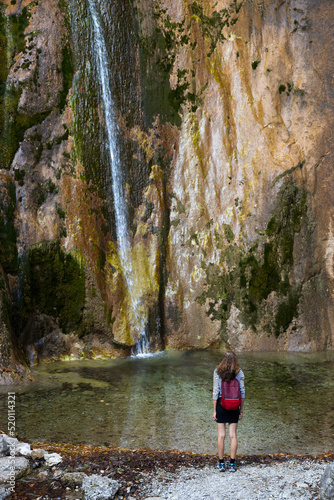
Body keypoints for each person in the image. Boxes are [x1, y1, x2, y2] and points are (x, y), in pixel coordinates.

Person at [212, 351, 245, 472]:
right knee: (233, 435)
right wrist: (241, 410)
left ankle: (221, 463)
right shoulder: (239, 372)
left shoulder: (217, 372)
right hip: (235, 405)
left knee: (221, 435)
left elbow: (215, 392)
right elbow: (242, 392)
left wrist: (215, 410)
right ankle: (231, 463)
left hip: (222, 404)